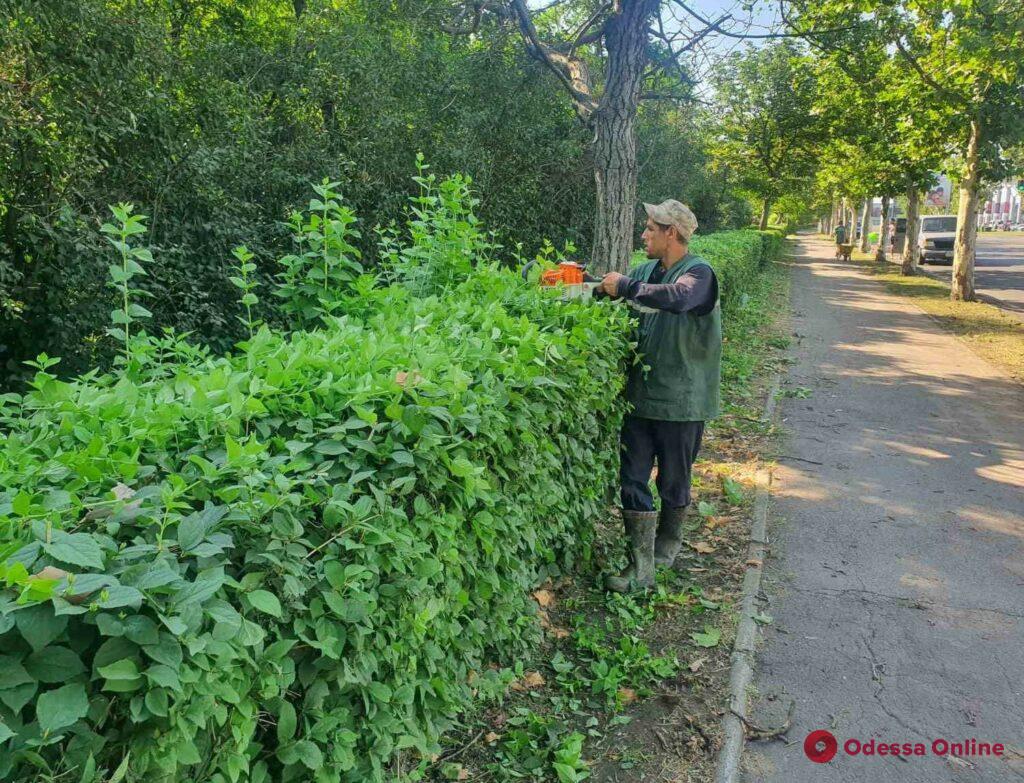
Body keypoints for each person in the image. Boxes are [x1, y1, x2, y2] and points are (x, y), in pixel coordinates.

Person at [598, 200, 721, 593]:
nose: (644, 234)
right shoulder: (644, 271)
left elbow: (678, 298)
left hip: (682, 402)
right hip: (642, 399)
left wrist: (628, 287)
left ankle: (666, 550)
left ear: (672, 233)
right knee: (632, 479)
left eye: (651, 228)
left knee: (674, 481)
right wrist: (581, 280)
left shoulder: (699, 274)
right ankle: (642, 567)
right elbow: (614, 292)